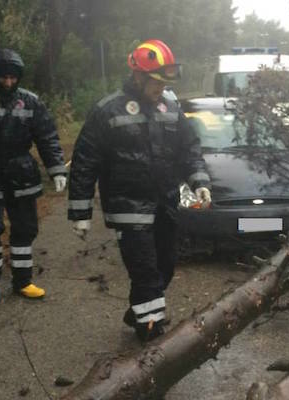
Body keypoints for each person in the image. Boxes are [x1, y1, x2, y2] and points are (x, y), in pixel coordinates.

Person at [67, 39, 211, 342]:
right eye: (156, 82)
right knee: (145, 272)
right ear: (138, 77)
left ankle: (140, 311)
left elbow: (189, 148)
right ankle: (151, 334)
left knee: (165, 267)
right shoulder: (107, 111)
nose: (161, 88)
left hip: (165, 204)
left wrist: (200, 181)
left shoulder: (170, 108)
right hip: (128, 207)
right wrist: (80, 212)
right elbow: (84, 161)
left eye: (165, 83)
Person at [0, 49, 67, 303]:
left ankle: (23, 280)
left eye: (13, 78)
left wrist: (56, 168)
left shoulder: (30, 102)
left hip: (22, 172)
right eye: (3, 78)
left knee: (25, 228)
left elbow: (47, 137)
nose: (8, 83)